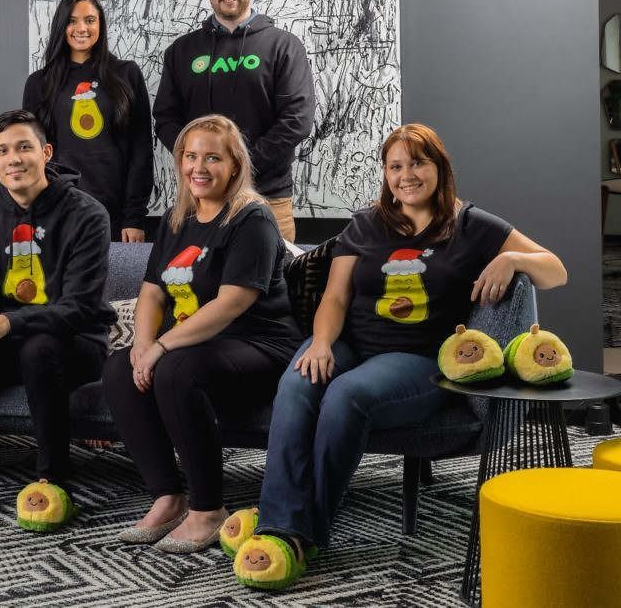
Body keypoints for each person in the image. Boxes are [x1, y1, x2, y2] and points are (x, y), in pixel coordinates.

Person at [238, 123, 568, 590]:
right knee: (297, 382)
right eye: (395, 166)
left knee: (348, 395)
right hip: (351, 343)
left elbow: (556, 270)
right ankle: (279, 525)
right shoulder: (367, 223)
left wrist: (514, 260)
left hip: (418, 359)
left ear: (439, 168)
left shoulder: (471, 224)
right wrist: (322, 344)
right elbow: (334, 296)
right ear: (385, 174)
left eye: (417, 163)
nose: (406, 175)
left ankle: (298, 534)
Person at [102, 114, 303, 553]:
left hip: (260, 343)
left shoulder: (251, 219)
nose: (200, 166)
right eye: (191, 156)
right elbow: (152, 292)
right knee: (119, 369)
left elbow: (232, 303)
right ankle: (168, 497)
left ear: (234, 165)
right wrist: (140, 346)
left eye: (213, 157)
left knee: (175, 369)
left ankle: (208, 510)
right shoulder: (178, 220)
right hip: (200, 344)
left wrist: (161, 346)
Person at [0, 109, 116, 530]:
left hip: (76, 344)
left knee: (40, 345)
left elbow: (79, 307)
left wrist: (5, 323)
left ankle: (53, 477)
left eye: (24, 147)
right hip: (4, 342)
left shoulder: (88, 214)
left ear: (45, 153)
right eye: (3, 151)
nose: (14, 159)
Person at [153, 0, 315, 243]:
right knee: (195, 284)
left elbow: (297, 120)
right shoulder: (181, 51)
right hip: (199, 201)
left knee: (272, 286)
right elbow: (165, 119)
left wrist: (238, 166)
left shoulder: (284, 46)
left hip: (268, 197)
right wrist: (205, 165)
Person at [23, 0, 153, 242]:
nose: (81, 28)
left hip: (117, 215)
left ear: (101, 25)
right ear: (61, 26)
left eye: (90, 20)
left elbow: (141, 150)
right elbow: (33, 154)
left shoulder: (126, 74)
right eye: (72, 21)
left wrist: (134, 217)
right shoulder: (39, 83)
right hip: (59, 211)